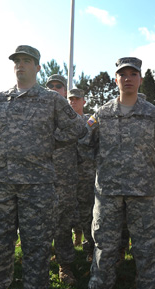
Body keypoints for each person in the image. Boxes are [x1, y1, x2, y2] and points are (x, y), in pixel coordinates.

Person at [0, 45, 86, 289]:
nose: (21, 65)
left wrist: (51, 144)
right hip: (1, 182)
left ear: (37, 67)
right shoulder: (0, 99)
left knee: (36, 244)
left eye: (27, 61)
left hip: (37, 184)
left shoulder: (51, 99)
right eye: (17, 61)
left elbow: (77, 128)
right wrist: (2, 149)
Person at [85, 57, 155, 289]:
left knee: (146, 248)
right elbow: (84, 146)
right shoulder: (102, 114)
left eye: (133, 74)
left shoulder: (152, 114)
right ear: (116, 79)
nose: (127, 78)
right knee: (105, 247)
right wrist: (104, 165)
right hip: (108, 194)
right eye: (122, 74)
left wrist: (148, 165)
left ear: (140, 79)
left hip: (143, 193)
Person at [45, 73, 80, 285]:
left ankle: (64, 265)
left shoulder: (69, 115)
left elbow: (79, 130)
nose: (55, 88)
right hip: (40, 177)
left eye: (59, 86)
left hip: (65, 177)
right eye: (51, 85)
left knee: (63, 224)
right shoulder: (38, 112)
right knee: (38, 223)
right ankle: (40, 264)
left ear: (65, 92)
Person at [69, 88, 96, 261]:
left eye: (77, 99)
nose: (73, 102)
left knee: (88, 212)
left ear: (84, 101)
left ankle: (90, 248)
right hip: (66, 174)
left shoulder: (90, 121)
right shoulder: (62, 121)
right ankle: (66, 247)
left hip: (86, 175)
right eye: (70, 99)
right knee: (65, 212)